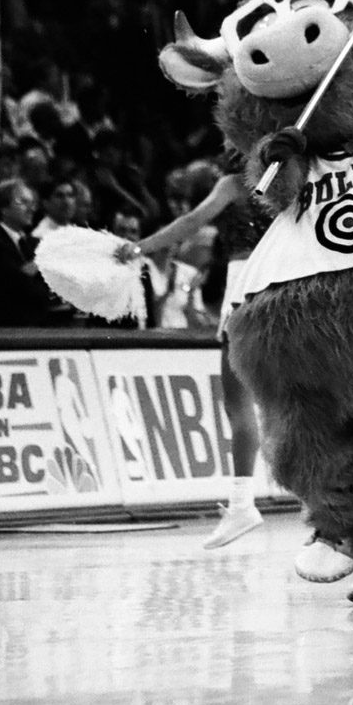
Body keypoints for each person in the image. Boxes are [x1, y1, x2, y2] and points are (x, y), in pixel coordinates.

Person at [118, 165, 270, 547]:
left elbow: (191, 221)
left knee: (239, 402)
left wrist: (140, 247)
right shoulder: (299, 176)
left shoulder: (235, 185)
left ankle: (241, 503)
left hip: (247, 280)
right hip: (295, 280)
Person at [0, 177, 73, 326]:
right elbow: (12, 285)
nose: (31, 209)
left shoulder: (33, 244)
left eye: (32, 203)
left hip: (35, 326)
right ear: (3, 208)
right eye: (23, 202)